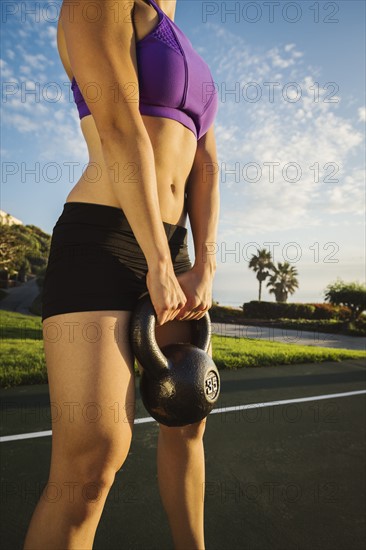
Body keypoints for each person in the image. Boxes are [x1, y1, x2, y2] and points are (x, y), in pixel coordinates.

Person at [23, 0, 219, 548]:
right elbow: (117, 124)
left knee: (188, 420)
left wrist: (203, 260)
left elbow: (205, 163)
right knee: (91, 464)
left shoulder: (179, 32)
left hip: (174, 252)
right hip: (104, 240)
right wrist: (157, 259)